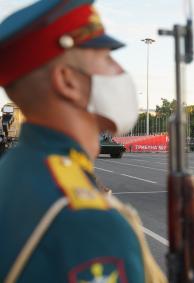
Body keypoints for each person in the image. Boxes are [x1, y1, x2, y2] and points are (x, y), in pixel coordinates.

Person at [0, 1, 166, 282]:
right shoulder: (90, 222)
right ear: (67, 81)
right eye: (106, 59)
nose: (120, 71)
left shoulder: (13, 171)